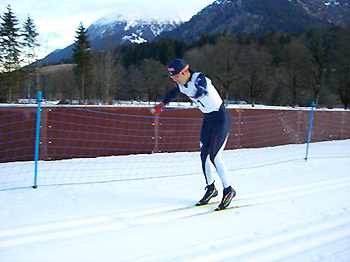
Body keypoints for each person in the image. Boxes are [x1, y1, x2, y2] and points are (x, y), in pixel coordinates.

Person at [152, 58, 236, 210]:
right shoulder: (181, 85)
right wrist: (162, 104)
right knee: (204, 156)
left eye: (176, 75)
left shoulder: (199, 78)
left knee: (215, 156)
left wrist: (198, 93)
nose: (174, 79)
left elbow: (202, 87)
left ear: (185, 71)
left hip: (221, 119)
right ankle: (211, 189)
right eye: (172, 77)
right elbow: (172, 93)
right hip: (208, 120)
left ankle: (229, 190)